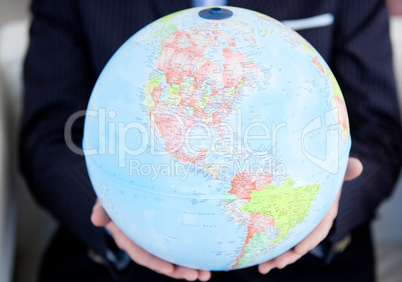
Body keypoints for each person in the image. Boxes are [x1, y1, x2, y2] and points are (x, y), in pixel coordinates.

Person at [20, 0, 402, 281]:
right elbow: (50, 135)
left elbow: (379, 130)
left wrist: (325, 203)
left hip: (305, 254)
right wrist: (115, 215)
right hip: (123, 254)